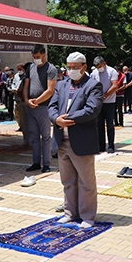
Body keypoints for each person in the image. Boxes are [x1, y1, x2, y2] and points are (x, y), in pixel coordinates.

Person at [48, 52, 103, 228]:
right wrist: (56, 119)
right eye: (69, 67)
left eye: (75, 68)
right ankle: (70, 213)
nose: (71, 71)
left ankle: (87, 216)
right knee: (68, 182)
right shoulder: (61, 85)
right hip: (61, 141)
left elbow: (92, 109)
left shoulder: (93, 85)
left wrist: (68, 118)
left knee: (86, 182)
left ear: (84, 67)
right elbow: (52, 106)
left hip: (81, 142)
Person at [23, 44, 57, 173]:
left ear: (44, 55)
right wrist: (27, 100)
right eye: (34, 57)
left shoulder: (51, 69)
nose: (36, 59)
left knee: (46, 136)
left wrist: (36, 101)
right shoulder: (31, 68)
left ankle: (46, 164)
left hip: (44, 107)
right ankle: (36, 162)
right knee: (34, 136)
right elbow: (26, 85)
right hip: (31, 106)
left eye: (38, 56)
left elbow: (50, 90)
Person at [91, 56, 118, 153]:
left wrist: (105, 95)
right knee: (99, 124)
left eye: (100, 66)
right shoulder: (94, 73)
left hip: (110, 102)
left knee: (110, 124)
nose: (99, 68)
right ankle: (101, 146)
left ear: (104, 63)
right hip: (98, 103)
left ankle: (111, 145)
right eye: (97, 66)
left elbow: (115, 85)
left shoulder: (112, 71)